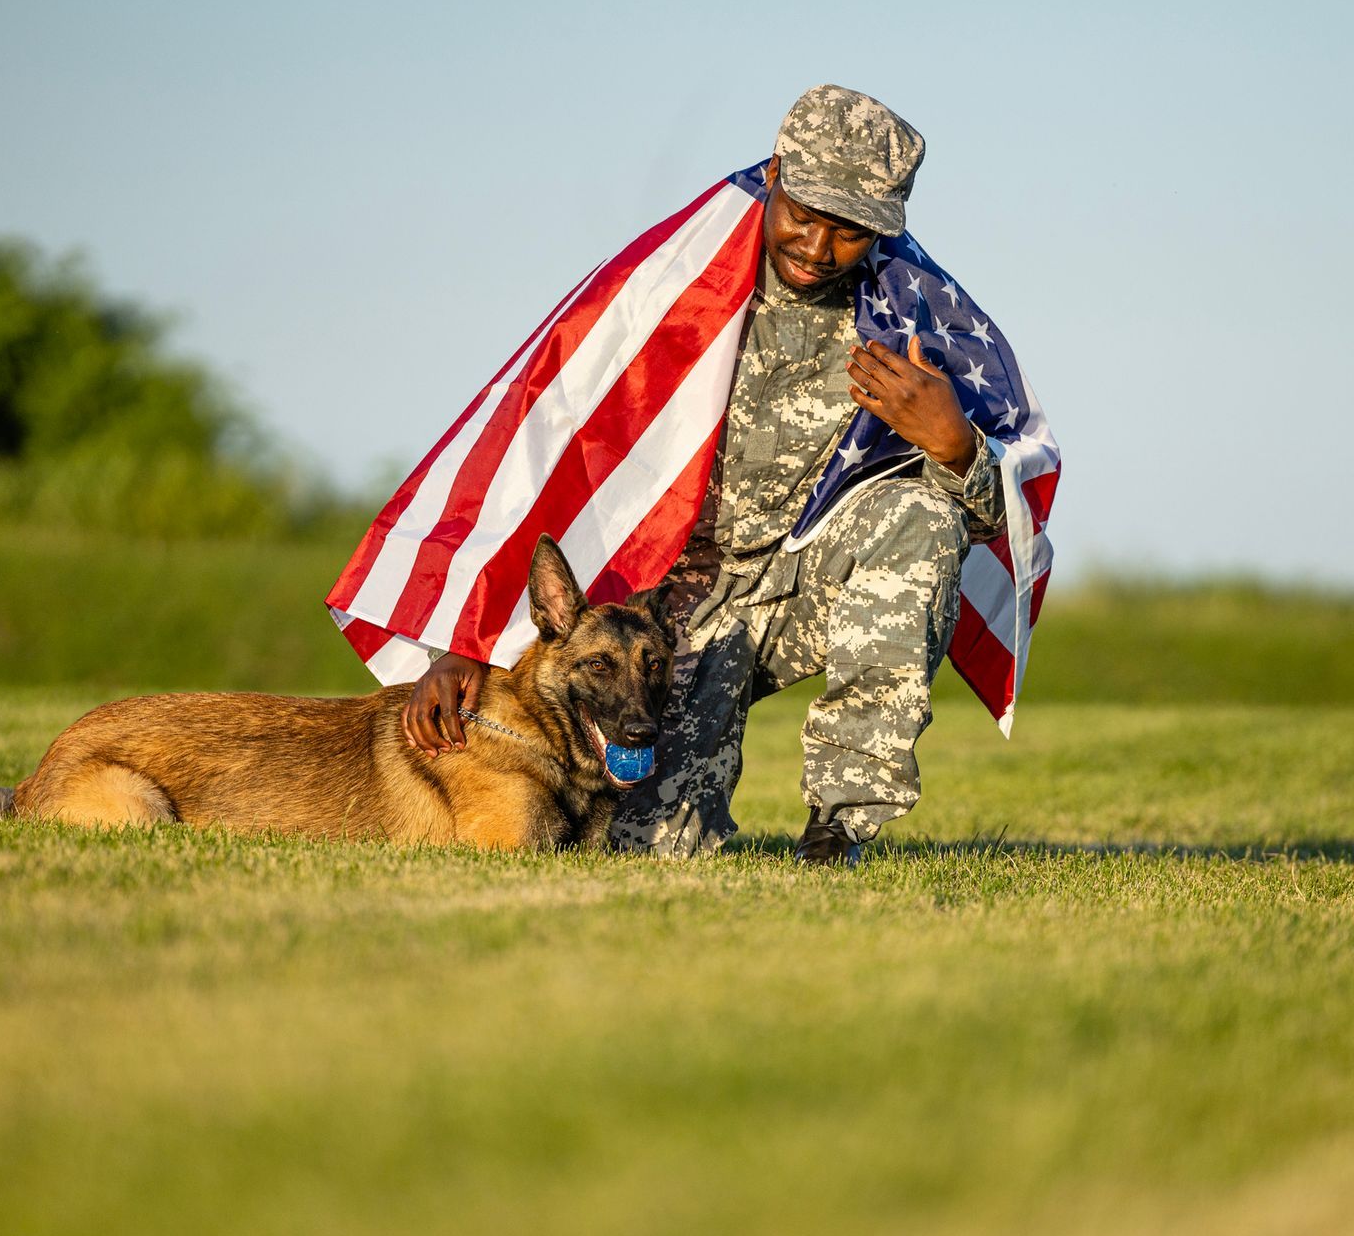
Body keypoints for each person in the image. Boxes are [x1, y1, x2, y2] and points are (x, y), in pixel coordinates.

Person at [403, 85, 1006, 866]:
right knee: (650, 849)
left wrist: (958, 449)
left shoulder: (919, 320)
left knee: (919, 517)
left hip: (804, 588)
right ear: (776, 174)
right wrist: (462, 637)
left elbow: (993, 522)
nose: (819, 247)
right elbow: (541, 451)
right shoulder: (667, 287)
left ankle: (839, 828)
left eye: (852, 230)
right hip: (669, 625)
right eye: (806, 213)